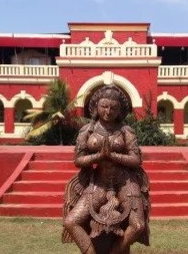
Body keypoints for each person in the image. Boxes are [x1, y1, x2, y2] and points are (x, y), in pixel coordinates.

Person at [62, 85, 150, 254]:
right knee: (71, 221)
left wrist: (113, 156)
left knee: (138, 225)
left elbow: (136, 159)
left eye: (113, 108)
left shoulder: (125, 131)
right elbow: (78, 160)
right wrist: (98, 157)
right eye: (104, 106)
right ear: (96, 106)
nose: (108, 111)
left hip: (125, 182)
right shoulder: (87, 131)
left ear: (120, 110)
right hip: (99, 182)